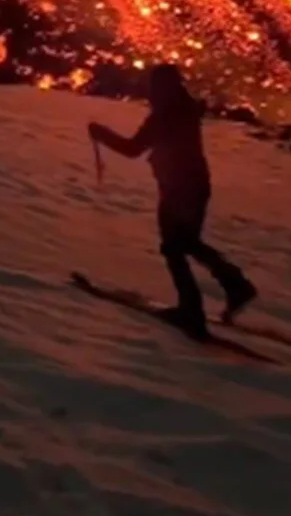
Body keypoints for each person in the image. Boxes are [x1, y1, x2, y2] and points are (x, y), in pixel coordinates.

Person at [88, 64, 257, 338]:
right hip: (196, 186)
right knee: (187, 242)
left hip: (178, 189)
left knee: (173, 247)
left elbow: (133, 150)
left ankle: (192, 310)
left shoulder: (164, 116)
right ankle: (235, 285)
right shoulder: (185, 110)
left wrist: (101, 133)